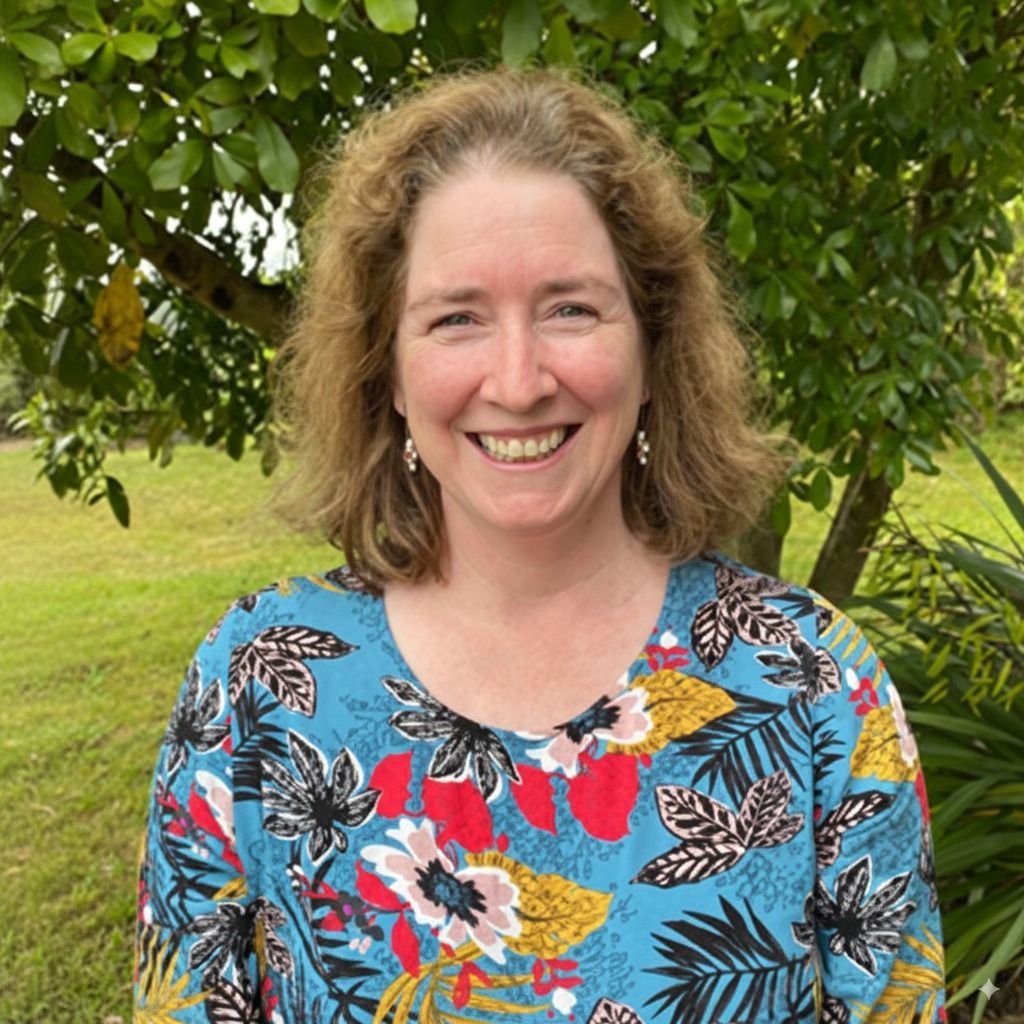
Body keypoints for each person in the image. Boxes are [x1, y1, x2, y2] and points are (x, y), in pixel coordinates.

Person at [134, 68, 945, 1024]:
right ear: (386, 370)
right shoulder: (258, 688)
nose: (517, 382)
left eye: (570, 308)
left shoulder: (814, 687)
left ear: (653, 347)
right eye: (456, 318)